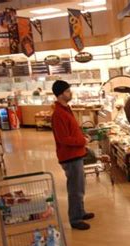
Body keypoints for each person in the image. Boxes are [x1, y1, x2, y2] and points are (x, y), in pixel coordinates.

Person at [51, 80, 94, 230]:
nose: (71, 93)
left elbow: (72, 132)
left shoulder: (66, 109)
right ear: (61, 94)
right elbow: (64, 139)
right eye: (68, 91)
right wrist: (82, 141)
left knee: (80, 186)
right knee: (75, 188)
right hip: (70, 156)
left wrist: (83, 138)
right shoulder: (58, 114)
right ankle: (75, 219)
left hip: (76, 153)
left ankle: (80, 211)